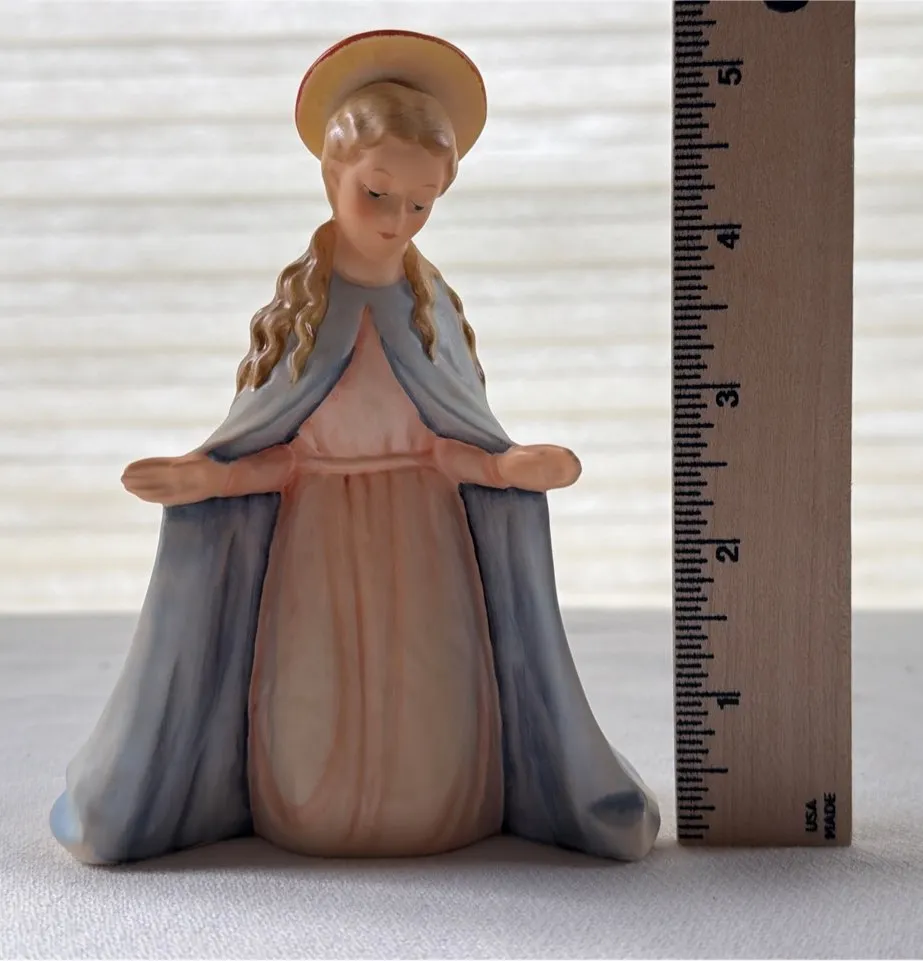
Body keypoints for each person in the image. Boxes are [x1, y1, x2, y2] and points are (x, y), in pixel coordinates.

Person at [49, 29, 660, 865]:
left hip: (427, 539)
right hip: (316, 540)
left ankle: (440, 805)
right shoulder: (302, 315)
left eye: (421, 203)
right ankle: (309, 809)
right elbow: (281, 452)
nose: (397, 221)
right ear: (333, 176)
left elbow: (450, 440)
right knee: (314, 685)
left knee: (428, 683)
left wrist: (505, 466)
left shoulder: (430, 307)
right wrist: (208, 477)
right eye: (377, 194)